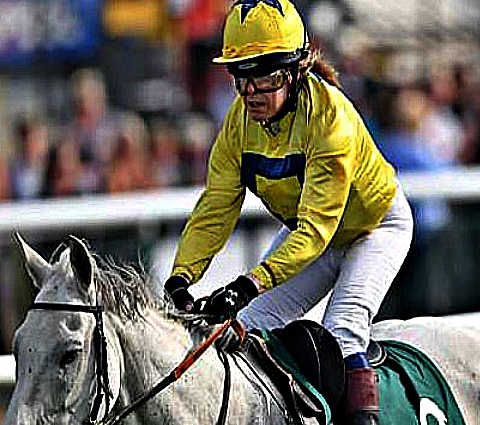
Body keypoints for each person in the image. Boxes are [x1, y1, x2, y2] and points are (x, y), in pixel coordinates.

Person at [162, 0, 413, 423]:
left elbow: (315, 230)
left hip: (374, 228)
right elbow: (215, 208)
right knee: (248, 326)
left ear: (296, 71)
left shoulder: (330, 117)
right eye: (241, 77)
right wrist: (181, 277)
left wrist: (249, 282)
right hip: (312, 235)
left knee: (341, 331)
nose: (252, 93)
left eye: (266, 77)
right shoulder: (238, 124)